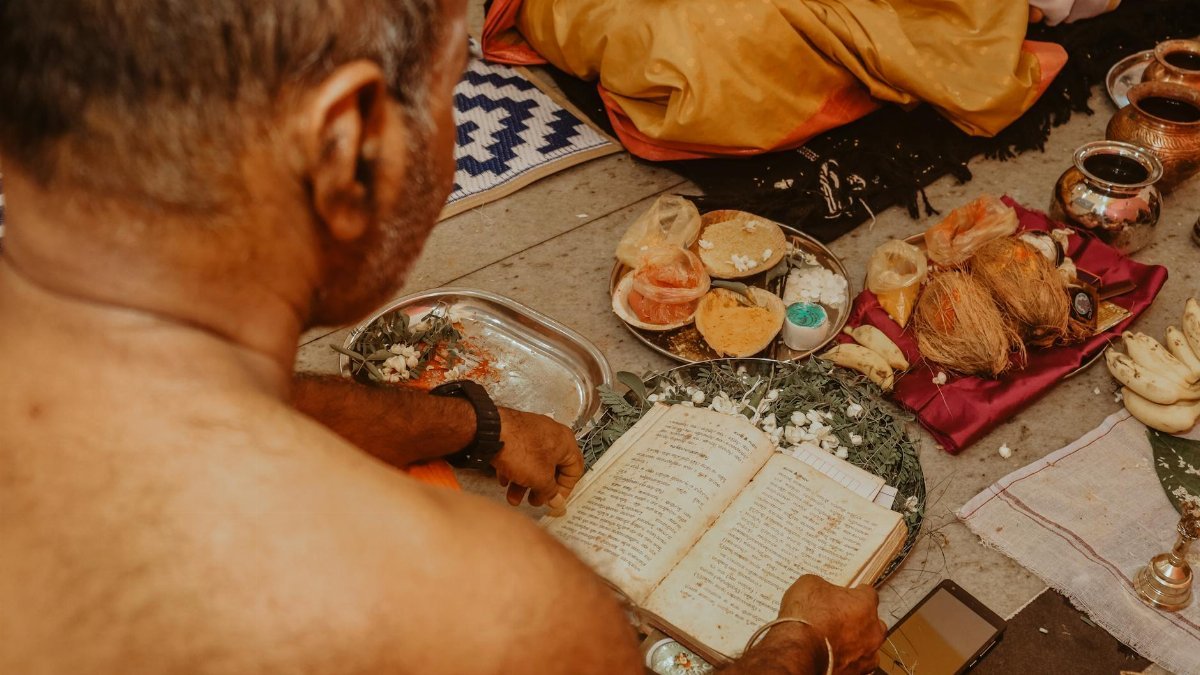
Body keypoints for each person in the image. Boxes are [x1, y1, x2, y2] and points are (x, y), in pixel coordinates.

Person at [0, 1, 886, 673]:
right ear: (350, 144)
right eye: (450, 85)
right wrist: (800, 644)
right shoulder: (483, 607)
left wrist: (469, 421)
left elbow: (235, 401)